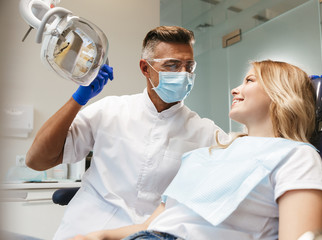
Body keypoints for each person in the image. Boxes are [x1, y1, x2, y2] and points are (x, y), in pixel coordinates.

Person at [70, 60, 322, 240]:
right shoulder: (206, 155)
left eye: (250, 80)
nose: (235, 89)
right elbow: (155, 224)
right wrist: (99, 235)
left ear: (281, 93)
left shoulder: (295, 156)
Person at [25, 26, 228, 239]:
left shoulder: (206, 133)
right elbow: (36, 160)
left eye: (189, 66)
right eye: (172, 65)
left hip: (147, 235)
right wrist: (78, 99)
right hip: (84, 228)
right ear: (145, 68)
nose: (184, 74)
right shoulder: (110, 110)